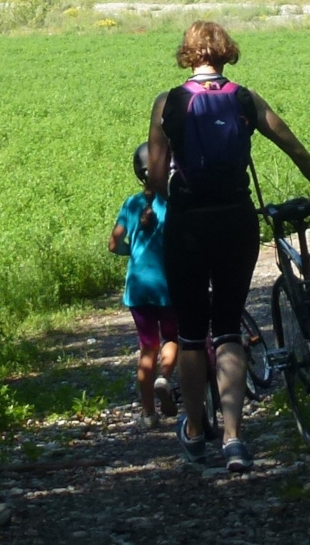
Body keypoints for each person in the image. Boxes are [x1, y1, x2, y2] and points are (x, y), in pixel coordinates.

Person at [147, 21, 310, 471]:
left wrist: (160, 201)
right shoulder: (245, 98)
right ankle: (234, 439)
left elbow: (155, 176)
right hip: (236, 220)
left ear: (188, 54)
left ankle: (195, 431)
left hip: (188, 226)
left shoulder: (166, 103)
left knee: (192, 334)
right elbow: (293, 145)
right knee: (228, 326)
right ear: (226, 52)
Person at [108, 142, 179, 430]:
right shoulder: (174, 204)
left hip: (138, 288)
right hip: (169, 285)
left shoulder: (130, 204)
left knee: (147, 348)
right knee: (173, 338)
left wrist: (133, 252)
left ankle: (148, 414)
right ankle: (165, 377)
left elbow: (114, 245)